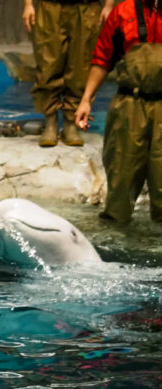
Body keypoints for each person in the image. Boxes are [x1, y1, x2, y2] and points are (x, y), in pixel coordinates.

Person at [75, 0, 162, 223]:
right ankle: (114, 242)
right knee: (122, 178)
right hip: (129, 106)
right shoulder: (124, 12)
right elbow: (102, 58)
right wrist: (86, 99)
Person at [24, 0, 114, 147]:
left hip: (87, 7)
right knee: (47, 62)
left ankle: (71, 122)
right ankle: (50, 121)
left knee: (82, 65)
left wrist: (109, 5)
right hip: (49, 6)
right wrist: (28, 4)